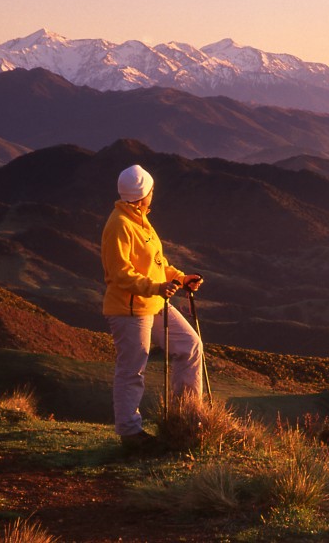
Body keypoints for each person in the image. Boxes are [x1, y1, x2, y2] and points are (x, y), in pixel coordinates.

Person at [101, 164, 204, 450]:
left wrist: (179, 278)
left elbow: (156, 264)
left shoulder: (140, 220)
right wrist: (156, 287)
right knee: (132, 369)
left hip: (155, 302)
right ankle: (130, 433)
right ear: (143, 193)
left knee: (191, 346)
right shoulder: (119, 225)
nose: (153, 194)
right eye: (151, 190)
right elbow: (119, 274)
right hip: (130, 310)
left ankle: (186, 417)